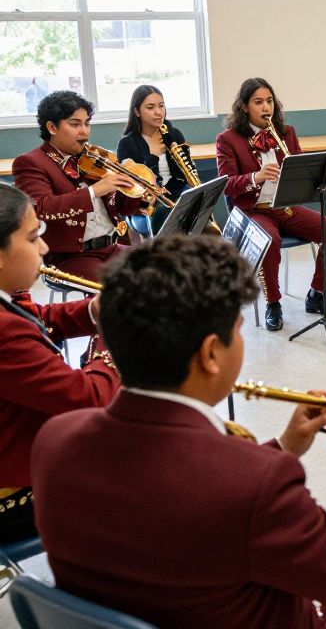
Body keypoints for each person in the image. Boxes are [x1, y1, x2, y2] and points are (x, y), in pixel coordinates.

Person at [32, 235, 326, 629]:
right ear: (211, 354)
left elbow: (191, 510)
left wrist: (285, 447)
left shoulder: (55, 439)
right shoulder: (254, 481)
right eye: (237, 331)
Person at [0, 183, 119, 544]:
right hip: (16, 496)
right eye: (33, 237)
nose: (45, 248)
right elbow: (92, 398)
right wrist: (113, 337)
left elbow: (37, 318)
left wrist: (93, 310)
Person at [215, 77, 326, 331]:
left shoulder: (286, 133)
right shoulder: (228, 139)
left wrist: (308, 173)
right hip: (253, 211)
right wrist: (256, 177)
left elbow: (303, 169)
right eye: (258, 102)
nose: (266, 108)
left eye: (269, 101)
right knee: (270, 240)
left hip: (286, 207)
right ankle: (273, 304)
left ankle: (317, 294)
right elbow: (226, 185)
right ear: (243, 106)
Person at [13, 90, 145, 282]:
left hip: (111, 247)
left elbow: (121, 208)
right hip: (70, 256)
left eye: (87, 123)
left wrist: (136, 191)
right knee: (124, 288)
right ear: (52, 127)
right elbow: (40, 209)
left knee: (162, 271)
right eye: (75, 124)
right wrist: (96, 190)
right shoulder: (31, 162)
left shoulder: (91, 158)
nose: (84, 131)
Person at [116, 84, 194, 235]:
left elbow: (185, 177)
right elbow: (133, 188)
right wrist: (151, 155)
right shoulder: (127, 143)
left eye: (161, 106)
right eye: (150, 107)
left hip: (175, 196)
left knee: (198, 208)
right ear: (137, 112)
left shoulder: (174, 135)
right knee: (171, 217)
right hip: (144, 206)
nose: (158, 112)